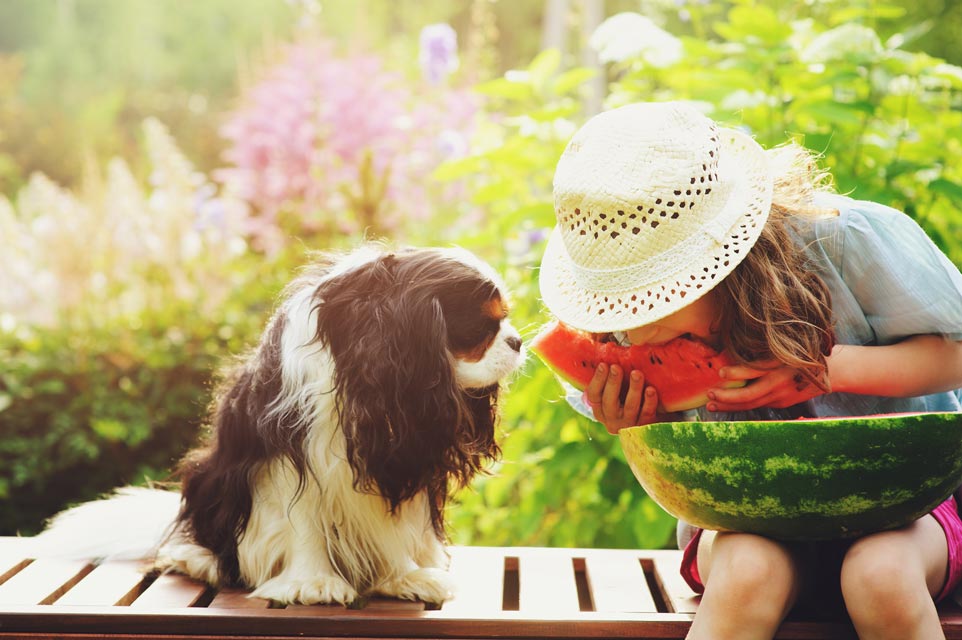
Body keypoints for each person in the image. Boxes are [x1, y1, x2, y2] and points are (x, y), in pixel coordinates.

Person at [537, 101, 962, 640]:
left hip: (904, 514)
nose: (633, 331)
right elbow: (682, 461)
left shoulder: (845, 240)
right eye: (618, 305)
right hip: (737, 523)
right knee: (746, 575)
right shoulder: (620, 332)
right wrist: (639, 423)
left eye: (650, 299)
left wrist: (828, 370)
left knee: (881, 577)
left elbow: (955, 356)